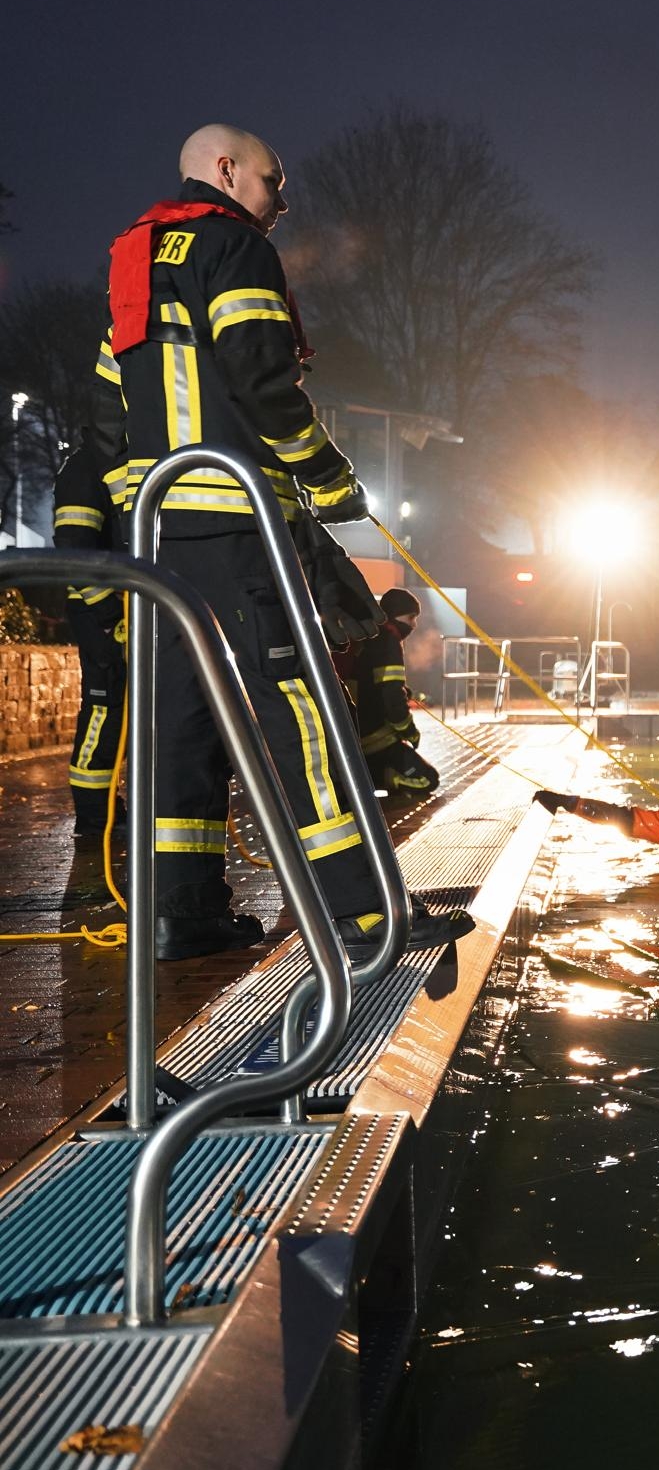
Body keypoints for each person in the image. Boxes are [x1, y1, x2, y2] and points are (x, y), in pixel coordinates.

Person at [87, 123, 472, 960]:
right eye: (273, 179)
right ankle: (367, 914)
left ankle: (180, 916)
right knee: (302, 708)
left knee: (180, 721)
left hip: (158, 534)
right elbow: (263, 381)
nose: (282, 200)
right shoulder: (235, 248)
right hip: (234, 518)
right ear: (226, 171)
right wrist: (329, 478)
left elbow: (111, 403)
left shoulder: (132, 256)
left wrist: (133, 513)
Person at [52, 439, 125, 838]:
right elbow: (73, 545)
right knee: (104, 703)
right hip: (98, 608)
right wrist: (108, 611)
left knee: (123, 707)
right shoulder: (86, 466)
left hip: (123, 606)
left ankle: (109, 805)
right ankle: (95, 812)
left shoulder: (113, 458)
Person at [342, 587, 439, 797]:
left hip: (355, 733)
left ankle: (367, 777)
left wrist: (409, 693)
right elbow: (391, 695)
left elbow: (377, 684)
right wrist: (410, 732)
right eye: (411, 617)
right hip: (375, 736)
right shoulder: (388, 642)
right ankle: (380, 777)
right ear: (395, 615)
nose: (414, 624)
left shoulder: (368, 637)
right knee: (428, 779)